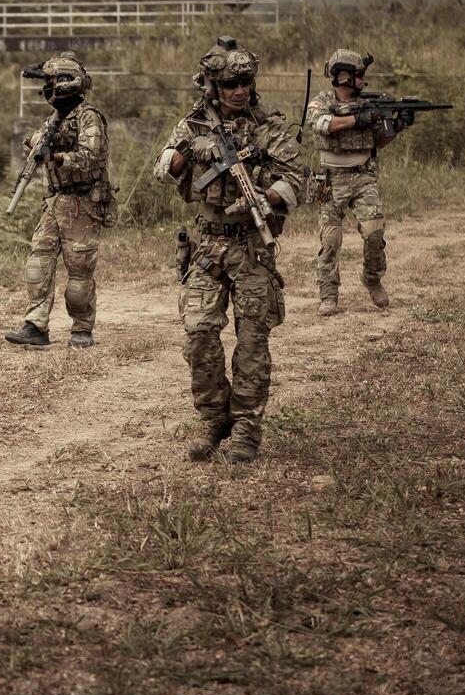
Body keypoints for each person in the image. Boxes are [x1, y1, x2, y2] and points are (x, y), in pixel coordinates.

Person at [153, 37, 304, 464]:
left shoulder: (269, 125)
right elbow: (162, 171)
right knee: (199, 334)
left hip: (252, 247)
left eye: (245, 82)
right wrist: (189, 149)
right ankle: (214, 418)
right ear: (213, 86)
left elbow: (297, 180)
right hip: (207, 245)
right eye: (230, 84)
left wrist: (265, 196)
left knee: (253, 341)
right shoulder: (193, 123)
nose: (239, 90)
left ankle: (246, 427)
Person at [4, 51, 114, 349]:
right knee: (38, 262)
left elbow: (91, 158)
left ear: (67, 84)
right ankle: (35, 325)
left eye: (51, 82)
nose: (47, 89)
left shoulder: (88, 117)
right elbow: (35, 141)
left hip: (83, 203)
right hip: (55, 201)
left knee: (79, 271)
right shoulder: (55, 117)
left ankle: (81, 328)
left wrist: (56, 156)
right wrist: (36, 143)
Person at [306, 50, 412, 315]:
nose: (364, 81)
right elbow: (321, 124)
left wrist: (397, 127)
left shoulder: (369, 104)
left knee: (375, 232)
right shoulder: (321, 102)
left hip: (363, 175)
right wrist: (356, 119)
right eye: (359, 75)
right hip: (330, 179)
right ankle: (328, 294)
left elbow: (378, 142)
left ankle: (373, 278)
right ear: (344, 77)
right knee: (330, 240)